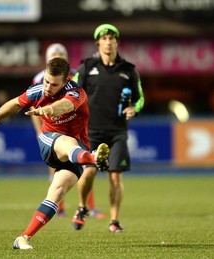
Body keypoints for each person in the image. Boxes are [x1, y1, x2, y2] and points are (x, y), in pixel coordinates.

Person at [0, 57, 110, 249]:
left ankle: (23, 238)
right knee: (68, 142)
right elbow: (16, 103)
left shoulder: (76, 93)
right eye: (46, 81)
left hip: (75, 153)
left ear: (66, 82)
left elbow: (65, 106)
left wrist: (48, 109)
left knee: (56, 193)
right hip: (50, 142)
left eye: (54, 84)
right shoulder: (38, 90)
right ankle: (93, 159)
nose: (48, 87)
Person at [71, 24, 145, 233]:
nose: (108, 42)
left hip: (117, 132)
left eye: (112, 38)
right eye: (104, 38)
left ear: (117, 42)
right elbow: (72, 92)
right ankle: (82, 207)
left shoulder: (128, 70)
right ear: (98, 43)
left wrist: (134, 109)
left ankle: (114, 221)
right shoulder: (86, 67)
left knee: (115, 176)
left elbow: (140, 99)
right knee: (89, 173)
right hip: (90, 131)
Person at [31, 43, 105, 218]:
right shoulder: (40, 78)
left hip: (74, 129)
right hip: (52, 129)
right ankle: (60, 208)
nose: (57, 58)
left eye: (60, 55)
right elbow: (34, 106)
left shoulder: (75, 75)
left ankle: (88, 207)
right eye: (54, 55)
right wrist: (39, 131)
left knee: (85, 166)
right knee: (56, 169)